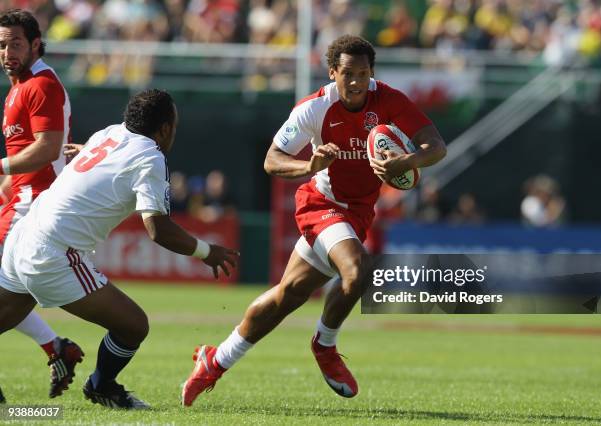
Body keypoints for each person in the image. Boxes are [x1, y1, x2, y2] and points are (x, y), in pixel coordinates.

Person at [181, 34, 446, 406]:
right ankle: (325, 346)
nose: (356, 82)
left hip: (356, 212)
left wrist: (408, 161)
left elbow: (436, 145)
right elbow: (272, 160)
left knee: (288, 296)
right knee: (357, 270)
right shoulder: (315, 107)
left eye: (363, 73)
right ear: (332, 72)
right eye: (348, 73)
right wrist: (310, 165)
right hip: (322, 203)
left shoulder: (388, 99)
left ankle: (216, 359)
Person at [0, 89, 239, 409]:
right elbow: (158, 230)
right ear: (166, 128)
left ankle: (101, 384)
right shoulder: (150, 156)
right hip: (52, 251)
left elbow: (108, 162)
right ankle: (102, 385)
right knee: (133, 325)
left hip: (22, 235)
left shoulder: (109, 133)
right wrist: (207, 252)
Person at [0, 9, 84, 401]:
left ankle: (57, 348)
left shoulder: (39, 85)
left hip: (32, 206)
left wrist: (2, 167)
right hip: (20, 198)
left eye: (15, 43)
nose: (6, 52)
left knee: (10, 297)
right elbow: (29, 151)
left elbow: (47, 148)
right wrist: (6, 179)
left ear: (35, 43)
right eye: (2, 44)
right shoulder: (20, 85)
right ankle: (57, 349)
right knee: (8, 297)